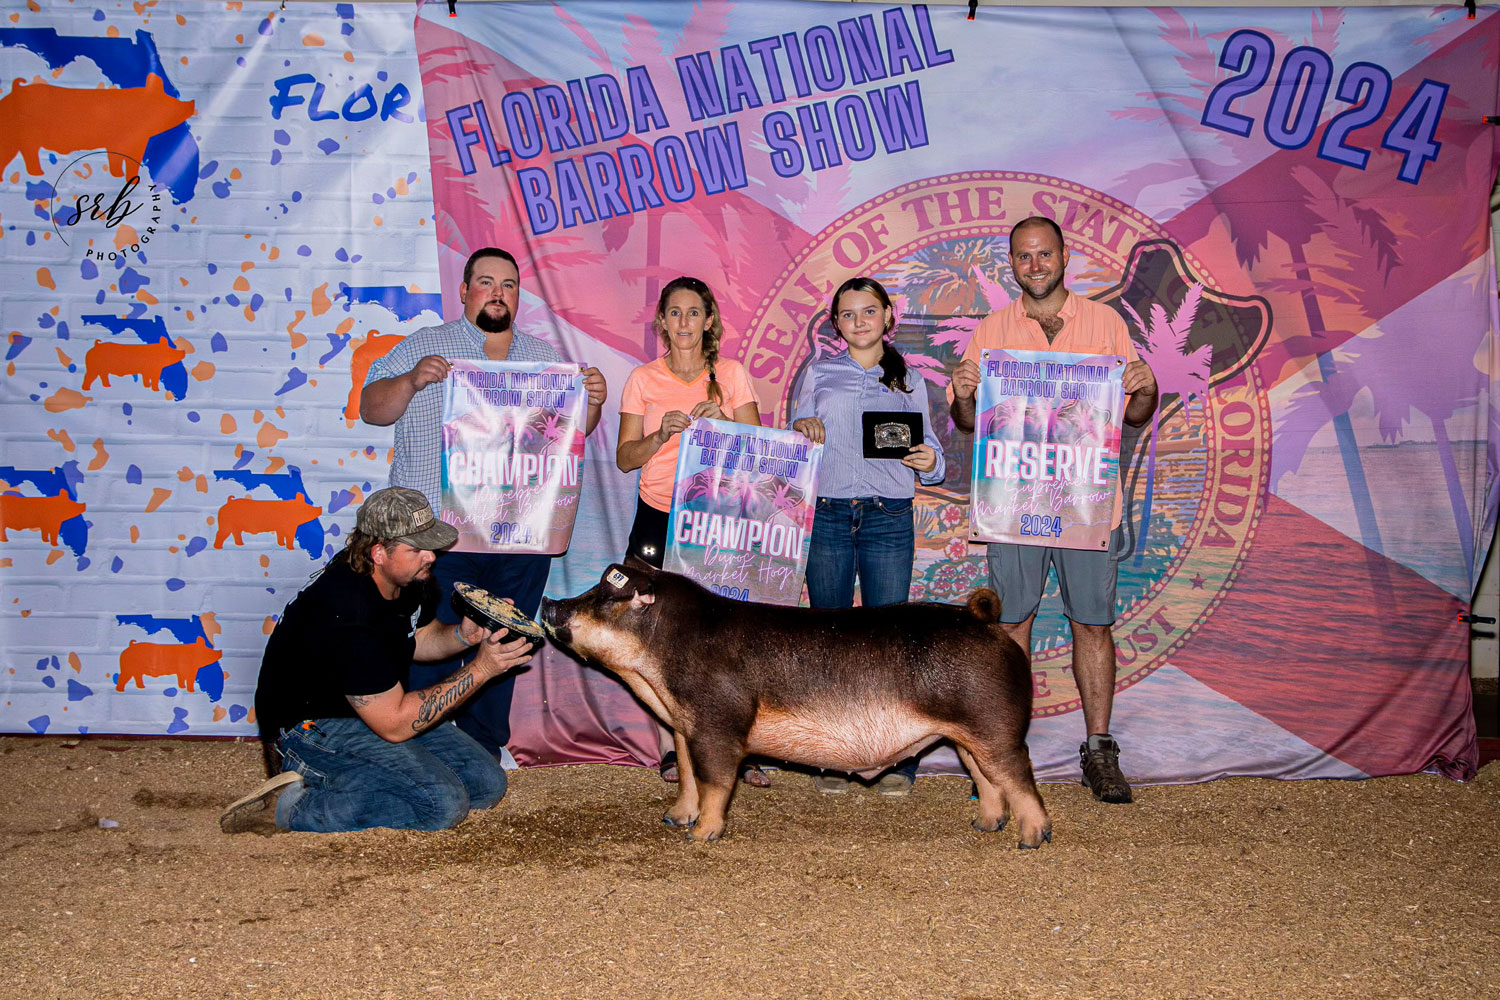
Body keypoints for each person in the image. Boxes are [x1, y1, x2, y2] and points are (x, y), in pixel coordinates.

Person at [358, 248, 607, 759]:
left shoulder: (543, 360)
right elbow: (372, 410)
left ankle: (484, 747)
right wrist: (410, 381)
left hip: (520, 530)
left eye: (509, 284)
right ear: (465, 290)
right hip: (439, 534)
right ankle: (421, 739)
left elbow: (572, 433)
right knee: (432, 638)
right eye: (486, 282)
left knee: (507, 636)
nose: (498, 292)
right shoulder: (427, 346)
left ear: (517, 295)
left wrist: (594, 402)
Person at [948, 216, 1158, 804]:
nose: (1034, 265)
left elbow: (1135, 413)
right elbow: (970, 423)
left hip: (1086, 501)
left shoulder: (1105, 322)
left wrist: (1144, 384)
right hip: (1015, 502)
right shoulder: (992, 328)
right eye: (1023, 257)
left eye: (1044, 255)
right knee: (1011, 623)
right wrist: (965, 394)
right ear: (1010, 264)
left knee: (1092, 623)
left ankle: (1098, 749)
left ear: (1065, 258)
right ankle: (1003, 750)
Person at [219, 487, 536, 834]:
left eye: (430, 545)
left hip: (369, 708)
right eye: (416, 549)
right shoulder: (347, 609)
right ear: (378, 553)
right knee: (442, 804)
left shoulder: (408, 576)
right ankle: (288, 808)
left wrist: (464, 636)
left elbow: (418, 639)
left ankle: (355, 779)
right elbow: (394, 724)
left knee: (486, 784)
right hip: (311, 725)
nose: (430, 556)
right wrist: (483, 668)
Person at [791, 276, 945, 798]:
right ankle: (834, 758)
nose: (859, 321)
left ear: (887, 316)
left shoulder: (910, 379)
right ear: (836, 324)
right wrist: (802, 429)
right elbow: (790, 440)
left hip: (888, 517)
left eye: (868, 311)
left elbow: (933, 452)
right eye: (848, 314)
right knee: (827, 642)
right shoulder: (817, 372)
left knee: (890, 644)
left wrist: (931, 461)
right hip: (828, 514)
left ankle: (897, 761)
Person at [615, 275, 769, 788]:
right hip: (657, 513)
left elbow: (760, 454)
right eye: (674, 313)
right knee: (654, 629)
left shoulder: (731, 373)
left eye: (693, 313)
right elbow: (623, 458)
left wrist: (722, 420)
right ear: (662, 321)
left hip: (719, 515)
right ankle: (669, 748)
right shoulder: (642, 378)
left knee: (730, 628)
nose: (683, 322)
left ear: (709, 321)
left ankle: (738, 745)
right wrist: (661, 433)